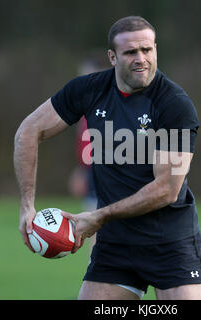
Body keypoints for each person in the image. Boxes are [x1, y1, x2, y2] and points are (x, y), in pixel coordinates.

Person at [15, 16, 201, 300]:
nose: (141, 58)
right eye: (131, 52)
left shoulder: (174, 104)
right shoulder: (89, 90)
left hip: (170, 244)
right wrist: (27, 205)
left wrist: (99, 216)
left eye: (147, 50)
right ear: (112, 57)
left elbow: (167, 189)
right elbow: (28, 131)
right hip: (116, 246)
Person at [68, 55, 109, 250]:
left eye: (85, 75)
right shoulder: (86, 103)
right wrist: (81, 169)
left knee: (97, 223)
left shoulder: (108, 104)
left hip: (104, 170)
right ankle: (99, 269)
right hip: (90, 170)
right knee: (92, 224)